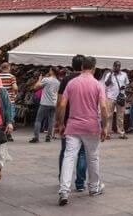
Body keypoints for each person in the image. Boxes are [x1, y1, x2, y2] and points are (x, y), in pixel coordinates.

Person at [55, 55, 109, 206]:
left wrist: (60, 123)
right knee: (93, 158)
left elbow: (62, 104)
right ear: (94, 68)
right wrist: (104, 126)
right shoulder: (98, 85)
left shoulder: (72, 83)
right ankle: (93, 187)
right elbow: (104, 108)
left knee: (69, 157)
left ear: (81, 66)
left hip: (72, 126)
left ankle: (64, 190)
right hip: (91, 127)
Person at [55, 57, 87, 193]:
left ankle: (63, 180)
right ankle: (80, 183)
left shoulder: (66, 80)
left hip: (68, 120)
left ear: (72, 65)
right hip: (85, 121)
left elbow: (60, 102)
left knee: (65, 151)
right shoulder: (89, 80)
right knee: (82, 153)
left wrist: (59, 122)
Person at [30, 67, 60, 143]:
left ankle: (36, 137)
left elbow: (36, 87)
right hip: (53, 103)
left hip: (44, 103)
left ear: (52, 71)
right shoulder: (58, 82)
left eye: (50, 70)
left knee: (38, 119)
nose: (49, 71)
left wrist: (40, 79)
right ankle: (48, 137)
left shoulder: (46, 79)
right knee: (51, 120)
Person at [101, 62, 129, 139]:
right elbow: (106, 84)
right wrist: (111, 74)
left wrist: (124, 88)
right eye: (115, 66)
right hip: (110, 97)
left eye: (118, 66)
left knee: (120, 116)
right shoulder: (109, 74)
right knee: (109, 115)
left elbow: (127, 84)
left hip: (121, 97)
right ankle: (108, 133)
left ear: (120, 67)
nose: (117, 67)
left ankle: (121, 133)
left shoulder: (124, 74)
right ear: (113, 66)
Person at [0, 63, 18, 141]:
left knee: (0, 116)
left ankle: (1, 132)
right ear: (9, 68)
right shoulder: (11, 77)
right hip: (9, 100)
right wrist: (15, 93)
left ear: (1, 68)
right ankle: (8, 134)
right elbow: (15, 87)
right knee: (9, 116)